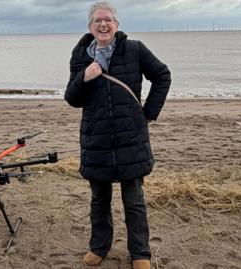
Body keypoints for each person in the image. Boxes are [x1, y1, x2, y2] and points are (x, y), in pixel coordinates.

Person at [64, 1, 171, 268]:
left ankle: (140, 253)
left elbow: (162, 76)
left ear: (117, 24)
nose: (103, 24)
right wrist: (84, 77)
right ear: (90, 26)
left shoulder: (134, 49)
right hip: (96, 138)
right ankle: (99, 247)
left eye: (108, 19)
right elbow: (72, 99)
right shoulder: (80, 56)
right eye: (98, 20)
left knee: (134, 201)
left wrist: (148, 114)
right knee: (99, 200)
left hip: (130, 138)